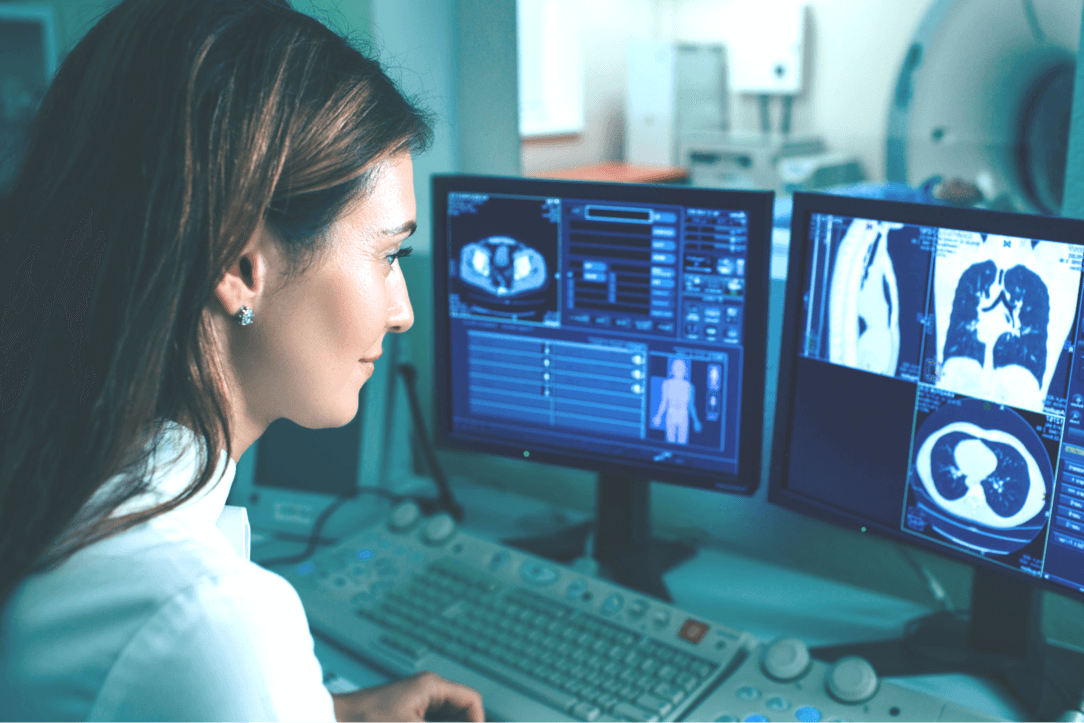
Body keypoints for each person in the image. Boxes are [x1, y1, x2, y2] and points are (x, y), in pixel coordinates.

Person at [0, 1, 484, 720]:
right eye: (387, 255)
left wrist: (328, 712)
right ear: (239, 263)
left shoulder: (65, 484)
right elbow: (189, 653)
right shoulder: (210, 620)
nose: (402, 309)